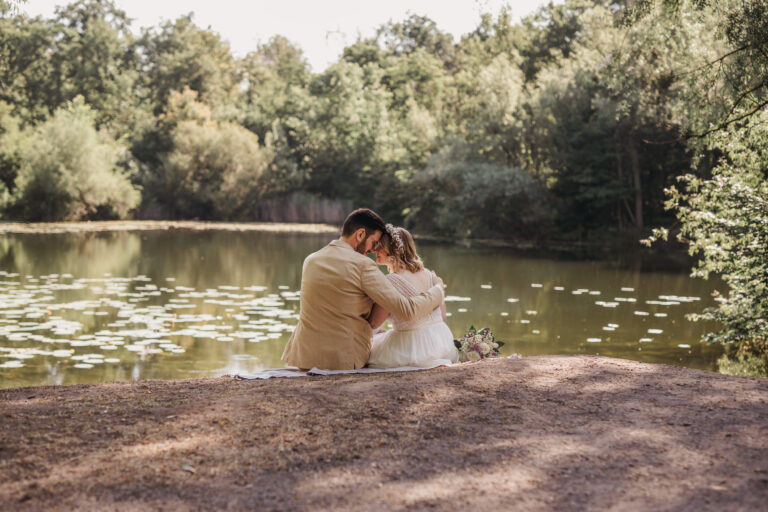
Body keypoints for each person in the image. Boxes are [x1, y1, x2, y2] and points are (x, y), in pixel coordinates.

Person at [281, 209, 446, 370]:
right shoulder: (363, 265)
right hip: (342, 359)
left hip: (304, 356)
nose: (373, 250)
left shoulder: (311, 260)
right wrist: (437, 291)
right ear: (360, 235)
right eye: (374, 243)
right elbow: (407, 311)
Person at [367, 225, 458, 368]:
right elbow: (443, 316)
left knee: (371, 351)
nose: (375, 250)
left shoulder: (391, 281)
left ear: (393, 250)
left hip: (412, 349)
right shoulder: (430, 274)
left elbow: (374, 323)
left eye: (380, 246)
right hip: (442, 343)